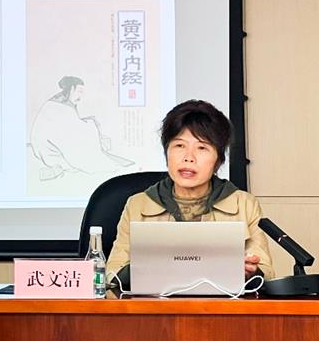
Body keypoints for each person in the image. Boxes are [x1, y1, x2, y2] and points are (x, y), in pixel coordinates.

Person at [106, 99, 274, 286]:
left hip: (220, 303)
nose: (188, 158)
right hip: (155, 302)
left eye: (202, 148)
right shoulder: (138, 205)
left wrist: (251, 272)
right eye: (179, 146)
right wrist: (147, 265)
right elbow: (113, 275)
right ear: (166, 153)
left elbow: (266, 273)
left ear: (218, 160)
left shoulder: (244, 204)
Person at [30, 76, 133, 180]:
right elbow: (68, 129)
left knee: (90, 124)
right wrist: (91, 124)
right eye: (79, 91)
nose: (80, 96)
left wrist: (88, 122)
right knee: (91, 130)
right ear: (71, 89)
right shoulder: (58, 106)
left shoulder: (59, 102)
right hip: (50, 150)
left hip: (46, 147)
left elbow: (69, 126)